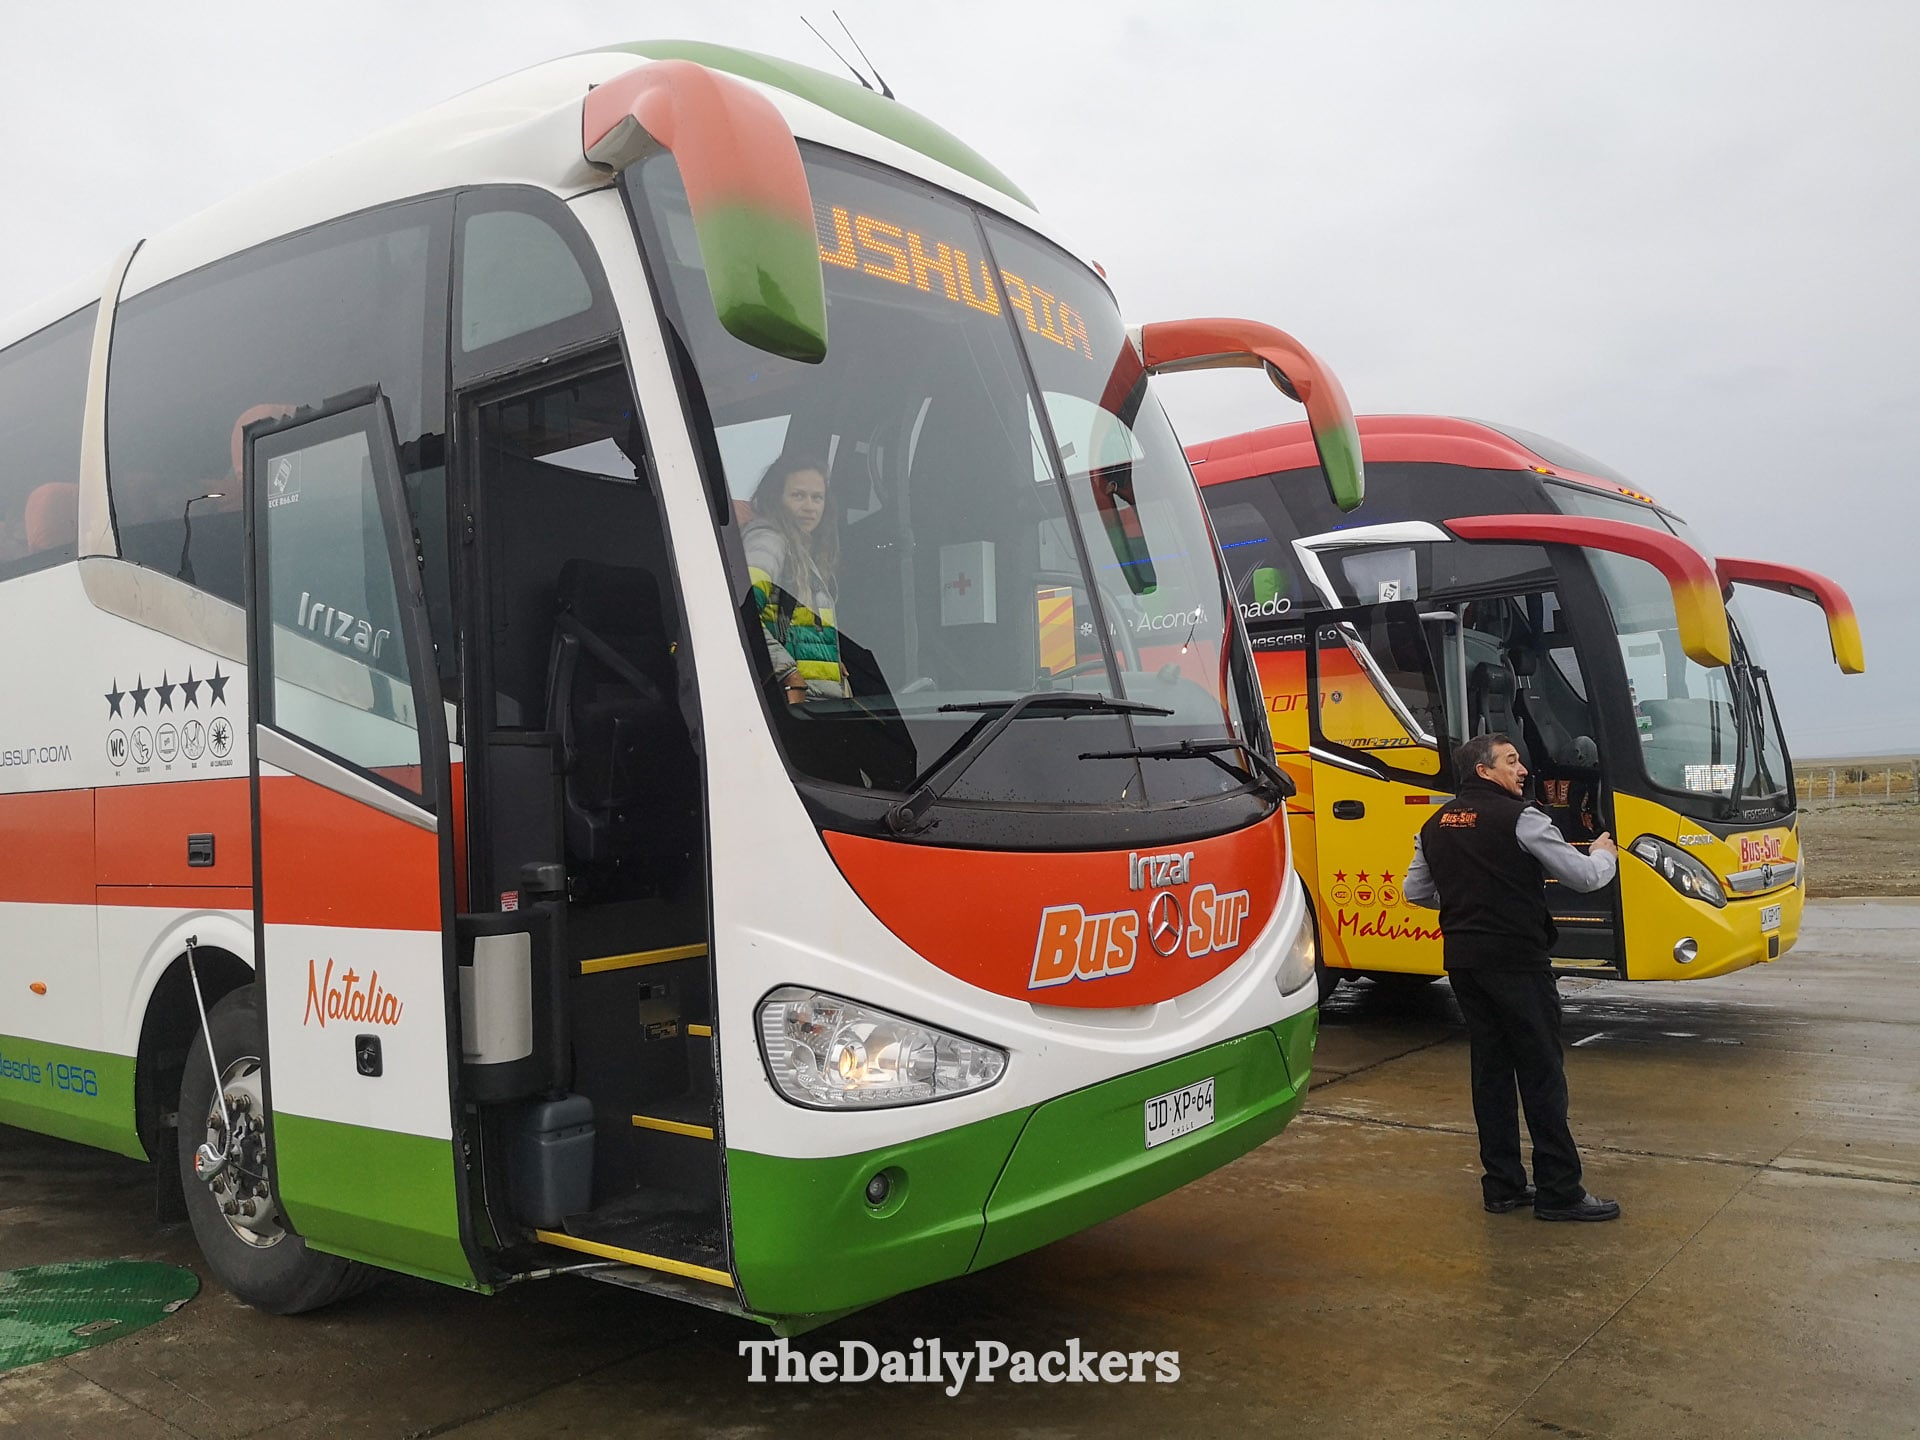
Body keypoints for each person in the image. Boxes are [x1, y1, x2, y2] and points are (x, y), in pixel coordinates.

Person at [1403, 732, 1622, 1221]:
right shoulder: (1523, 818)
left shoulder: (1435, 822)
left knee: (1492, 1073)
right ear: (1484, 771)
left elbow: (1415, 891)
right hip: (1518, 961)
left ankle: (1501, 1186)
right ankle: (1560, 1191)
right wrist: (1604, 852)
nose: (1522, 769)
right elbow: (1584, 877)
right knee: (1542, 1073)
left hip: (1464, 963)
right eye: (1511, 761)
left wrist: (1468, 903)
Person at [743, 456, 846, 704]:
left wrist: (830, 663)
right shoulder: (768, 542)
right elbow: (741, 613)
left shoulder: (803, 551)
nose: (810, 506)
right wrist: (787, 673)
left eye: (817, 498)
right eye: (798, 496)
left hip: (817, 704)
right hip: (793, 707)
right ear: (776, 498)